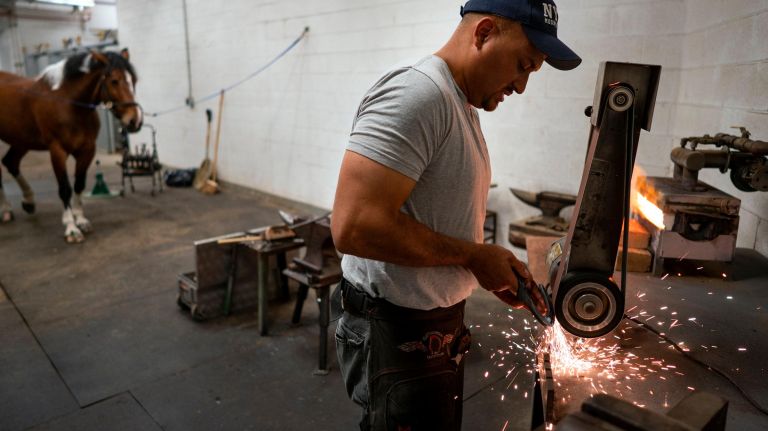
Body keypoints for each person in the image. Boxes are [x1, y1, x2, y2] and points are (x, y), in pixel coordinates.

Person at [330, 0, 581, 429]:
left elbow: (437, 216)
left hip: (430, 328)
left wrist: (482, 264)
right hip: (394, 330)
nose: (521, 86)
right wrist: (470, 257)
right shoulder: (418, 95)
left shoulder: (459, 103)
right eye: (522, 66)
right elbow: (355, 227)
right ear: (483, 33)